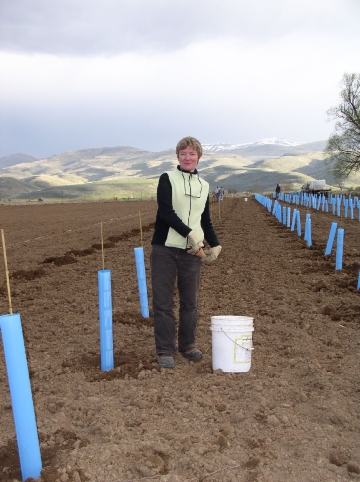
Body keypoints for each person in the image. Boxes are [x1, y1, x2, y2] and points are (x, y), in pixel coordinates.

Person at [150, 136, 222, 368]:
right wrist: (189, 233)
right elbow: (165, 212)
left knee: (190, 302)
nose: (187, 157)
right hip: (165, 248)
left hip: (193, 252)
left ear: (198, 157)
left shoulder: (204, 186)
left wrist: (215, 243)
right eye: (183, 154)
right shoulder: (167, 179)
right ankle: (165, 350)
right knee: (163, 302)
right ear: (178, 157)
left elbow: (205, 219)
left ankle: (187, 345)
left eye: (192, 154)